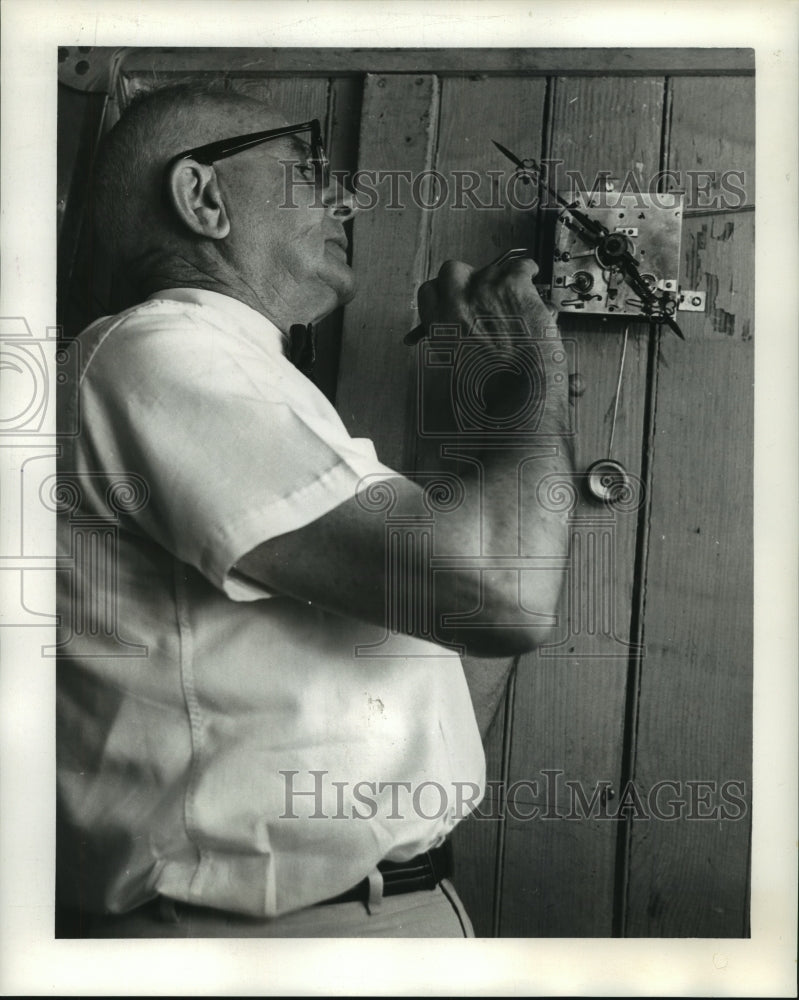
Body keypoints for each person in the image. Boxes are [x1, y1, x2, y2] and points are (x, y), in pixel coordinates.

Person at [55, 82, 572, 938]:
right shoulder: (162, 353)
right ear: (202, 197)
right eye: (307, 166)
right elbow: (505, 596)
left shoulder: (246, 377)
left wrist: (478, 421)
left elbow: (464, 632)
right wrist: (527, 374)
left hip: (384, 909)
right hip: (260, 938)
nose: (349, 196)